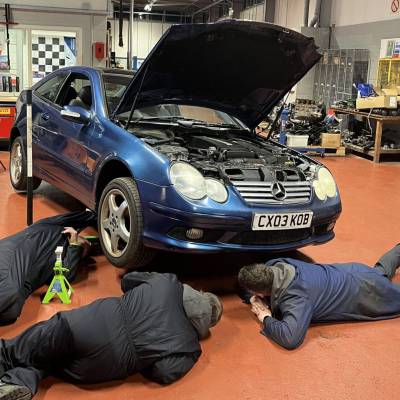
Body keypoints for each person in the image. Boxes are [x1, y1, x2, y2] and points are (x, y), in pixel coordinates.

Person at [0, 272, 223, 400]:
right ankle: (19, 383)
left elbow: (128, 280)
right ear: (206, 326)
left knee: (22, 349)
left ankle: (9, 367)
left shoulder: (167, 282)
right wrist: (148, 352)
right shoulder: (190, 346)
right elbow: (164, 372)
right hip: (103, 366)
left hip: (86, 325)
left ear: (198, 293)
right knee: (52, 361)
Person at [238, 244, 400, 350]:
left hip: (366, 292)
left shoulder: (297, 298)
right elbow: (248, 284)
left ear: (262, 291)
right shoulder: (274, 265)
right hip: (355, 271)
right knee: (379, 273)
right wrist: (252, 298)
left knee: (385, 286)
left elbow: (290, 338)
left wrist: (266, 318)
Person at [0, 210, 96, 325]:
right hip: (10, 253)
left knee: (12, 303)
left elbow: (66, 275)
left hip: (17, 268)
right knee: (12, 295)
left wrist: (75, 246)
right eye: (86, 243)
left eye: (84, 249)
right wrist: (93, 215)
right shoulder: (55, 226)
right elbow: (80, 217)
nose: (86, 243)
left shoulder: (60, 257)